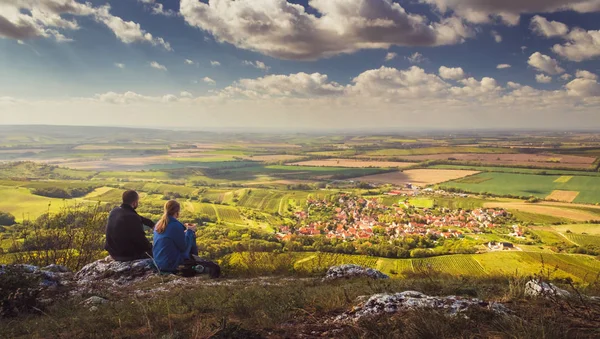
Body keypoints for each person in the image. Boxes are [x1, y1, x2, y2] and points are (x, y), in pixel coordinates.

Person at [153, 200, 221, 278]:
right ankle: (194, 259)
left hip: (159, 262)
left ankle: (193, 259)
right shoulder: (176, 225)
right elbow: (183, 248)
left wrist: (185, 232)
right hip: (171, 264)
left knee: (188, 234)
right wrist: (190, 231)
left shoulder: (159, 224)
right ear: (177, 212)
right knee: (191, 235)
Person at [104, 190, 154, 261]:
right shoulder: (132, 217)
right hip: (126, 255)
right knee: (158, 251)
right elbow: (142, 242)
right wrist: (152, 247)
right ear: (134, 203)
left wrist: (151, 224)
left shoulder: (115, 211)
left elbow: (138, 217)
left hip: (112, 252)